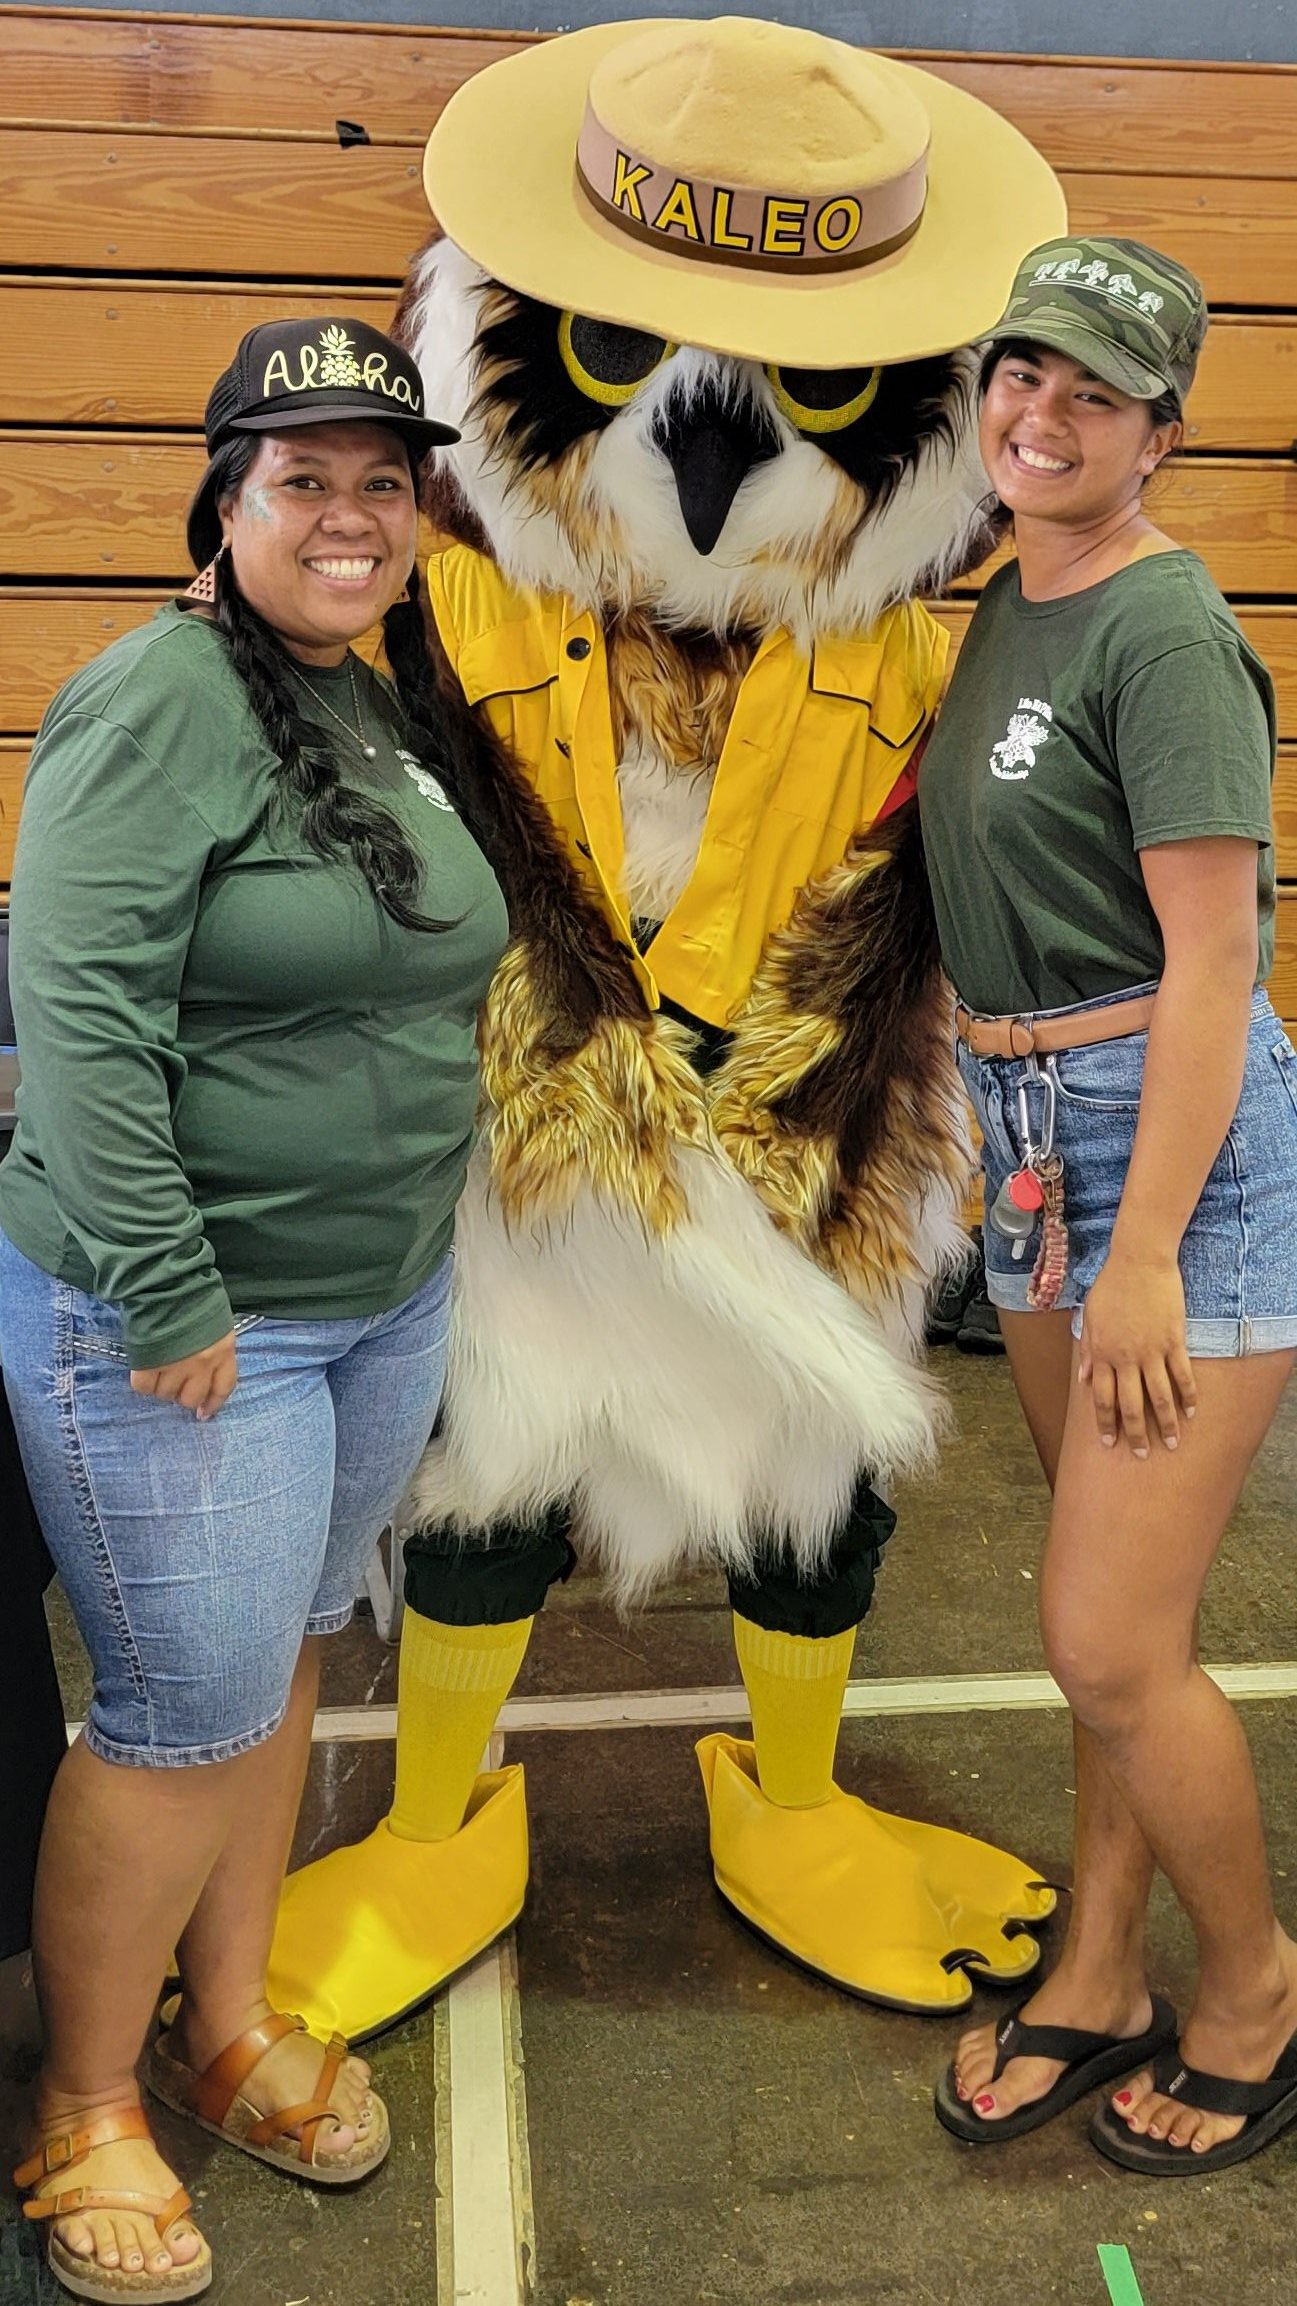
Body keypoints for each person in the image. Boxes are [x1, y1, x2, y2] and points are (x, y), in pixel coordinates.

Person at [1, 317, 508, 2300]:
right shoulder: (157, 699)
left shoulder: (364, 694)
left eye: (384, 480)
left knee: (288, 1662)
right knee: (172, 1717)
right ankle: (84, 2107)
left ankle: (220, 2028)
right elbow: (84, 1021)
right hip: (189, 1322)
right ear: (222, 502)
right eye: (304, 477)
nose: (352, 513)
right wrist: (172, 1279)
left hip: (377, 1294)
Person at [921, 237, 1297, 2177]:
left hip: (1161, 1140)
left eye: (1089, 391)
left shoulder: (1161, 630)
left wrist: (1147, 1240)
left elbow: (1219, 962)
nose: (1039, 415)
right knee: (1107, 1623)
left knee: (1103, 1639)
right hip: (1030, 1125)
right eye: (1018, 376)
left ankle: (1247, 1988)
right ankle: (1097, 1965)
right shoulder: (1011, 597)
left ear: (1162, 427)